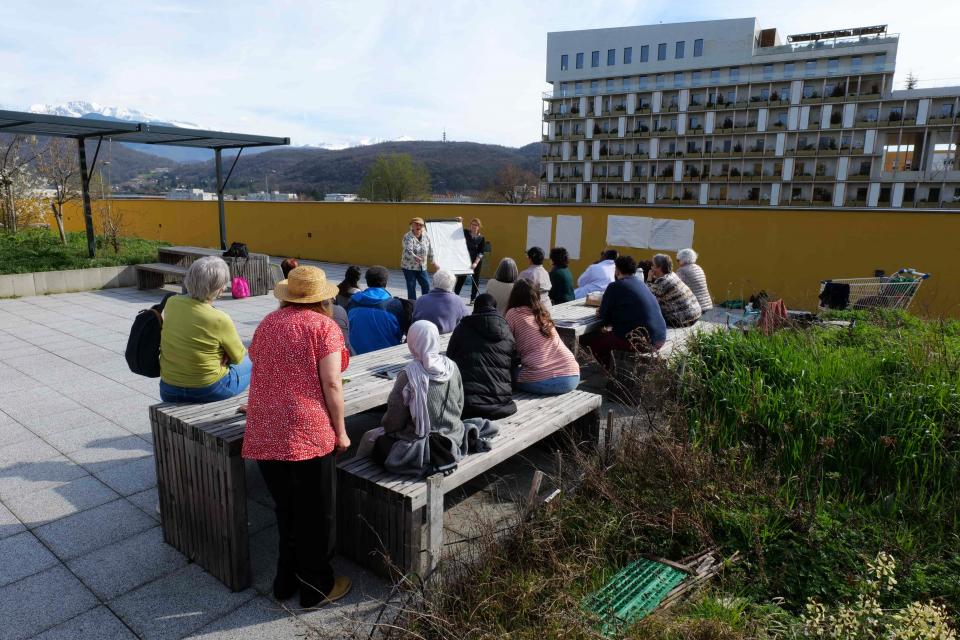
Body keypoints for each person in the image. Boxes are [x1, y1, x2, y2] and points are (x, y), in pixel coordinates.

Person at [241, 266, 352, 608]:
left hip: (265, 428)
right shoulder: (324, 327)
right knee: (315, 515)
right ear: (323, 298)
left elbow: (259, 365)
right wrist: (342, 432)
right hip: (307, 431)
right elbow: (332, 382)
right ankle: (316, 588)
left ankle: (284, 580)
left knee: (285, 509)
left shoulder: (267, 324)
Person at [368, 321, 470, 476]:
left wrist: (387, 429)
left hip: (418, 441)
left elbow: (394, 419)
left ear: (412, 341)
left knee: (371, 440)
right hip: (453, 435)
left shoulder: (409, 374)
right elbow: (460, 404)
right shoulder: (452, 367)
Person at [159, 256, 251, 403]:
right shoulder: (219, 318)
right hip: (207, 390)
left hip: (168, 389)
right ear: (219, 288)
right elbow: (238, 358)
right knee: (252, 362)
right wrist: (225, 355)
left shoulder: (171, 303)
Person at [583, 256, 667, 368]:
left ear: (617, 270)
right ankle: (614, 369)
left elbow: (604, 316)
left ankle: (613, 373)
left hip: (641, 342)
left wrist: (601, 312)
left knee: (594, 345)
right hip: (659, 337)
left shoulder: (615, 286)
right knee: (608, 337)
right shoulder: (641, 284)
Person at [446, 293, 519, 419]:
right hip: (500, 403)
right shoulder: (506, 330)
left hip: (467, 404)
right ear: (495, 308)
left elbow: (449, 358)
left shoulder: (462, 327)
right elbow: (513, 362)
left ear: (475, 308)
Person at [505, 279, 580, 395]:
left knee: (508, 375)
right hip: (573, 375)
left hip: (545, 380)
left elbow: (504, 344)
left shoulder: (513, 313)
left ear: (514, 295)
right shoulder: (542, 313)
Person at [346, 266, 408, 354]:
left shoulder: (353, 302)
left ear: (367, 282)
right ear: (385, 282)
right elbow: (402, 332)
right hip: (387, 356)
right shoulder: (395, 305)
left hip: (357, 355)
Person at [648, 253, 702, 328]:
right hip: (695, 314)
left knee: (650, 309)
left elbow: (646, 296)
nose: (651, 268)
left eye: (653, 265)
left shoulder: (662, 281)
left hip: (683, 320)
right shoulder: (672, 275)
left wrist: (649, 279)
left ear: (659, 268)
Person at [401, 217, 437, 300]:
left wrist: (433, 261)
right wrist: (415, 257)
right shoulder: (408, 236)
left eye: (420, 225)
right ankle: (412, 305)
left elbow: (430, 249)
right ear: (412, 225)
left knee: (426, 285)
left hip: (422, 266)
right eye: (416, 224)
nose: (418, 226)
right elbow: (408, 250)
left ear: (423, 226)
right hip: (409, 266)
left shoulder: (426, 235)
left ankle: (426, 303)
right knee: (411, 286)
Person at [453, 218, 486, 304]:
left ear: (479, 227)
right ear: (470, 225)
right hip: (464, 260)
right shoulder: (465, 233)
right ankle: (455, 297)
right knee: (461, 279)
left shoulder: (481, 238)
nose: (474, 226)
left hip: (476, 261)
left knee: (476, 280)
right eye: (472, 224)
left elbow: (481, 252)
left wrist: (475, 263)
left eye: (476, 225)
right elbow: (457, 230)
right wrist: (459, 221)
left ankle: (473, 299)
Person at [676, 248, 714, 313]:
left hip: (694, 305)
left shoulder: (682, 270)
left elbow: (676, 285)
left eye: (678, 260)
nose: (678, 262)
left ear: (683, 259)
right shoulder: (698, 268)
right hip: (705, 304)